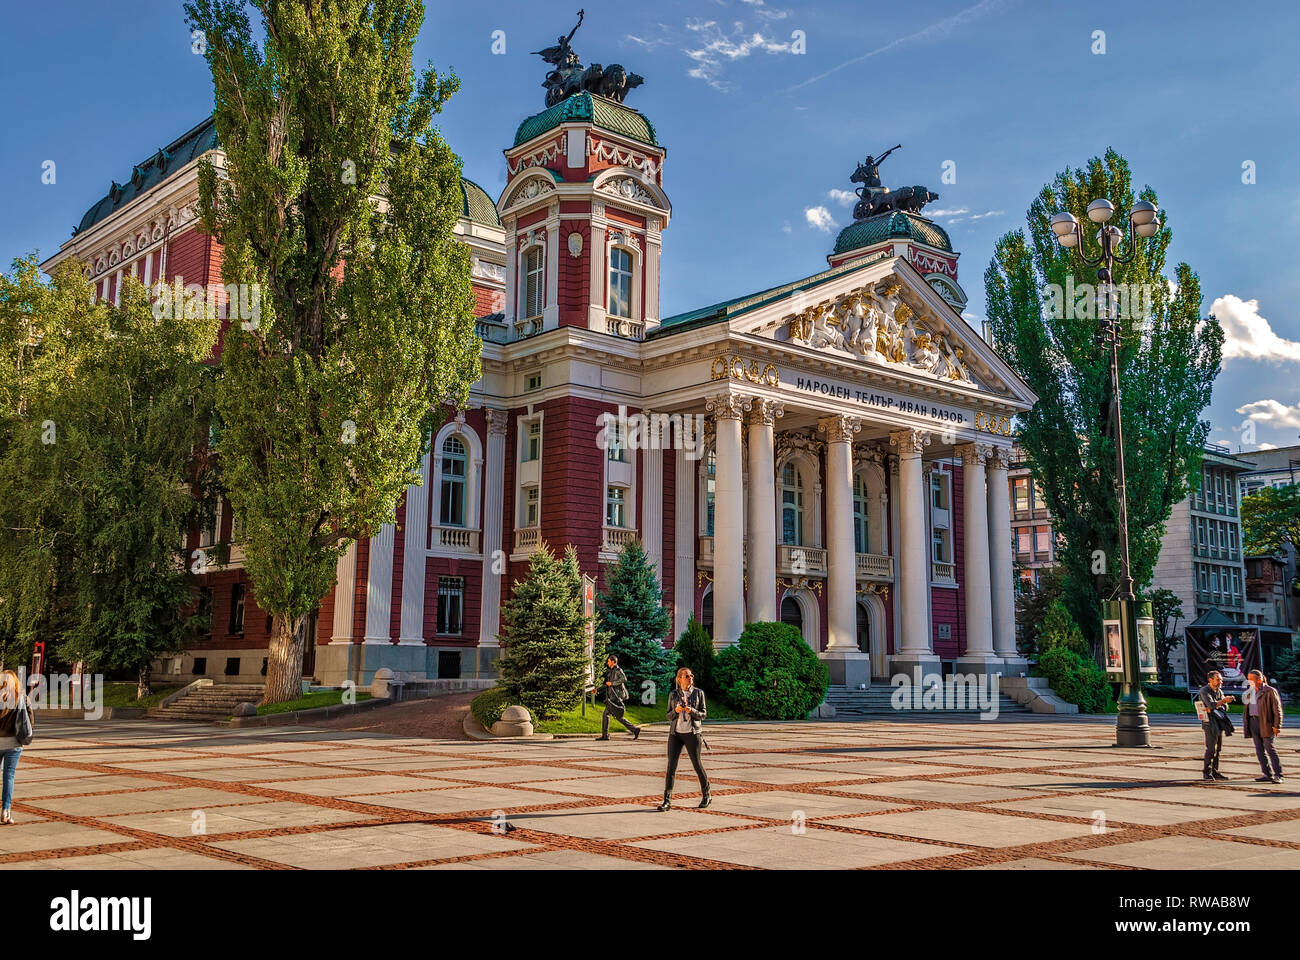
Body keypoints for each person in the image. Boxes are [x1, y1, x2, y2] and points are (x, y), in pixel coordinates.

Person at [658, 667, 710, 811]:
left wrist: (691, 710)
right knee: (671, 767)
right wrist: (676, 711)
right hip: (676, 734)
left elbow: (703, 715)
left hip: (692, 733)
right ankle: (667, 801)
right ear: (679, 679)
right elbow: (668, 716)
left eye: (691, 675)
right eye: (686, 676)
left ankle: (706, 794)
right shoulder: (673, 694)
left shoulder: (699, 693)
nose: (690, 678)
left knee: (697, 765)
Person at [0, 669, 31, 824]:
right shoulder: (21, 697)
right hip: (14, 743)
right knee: (9, 777)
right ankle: (6, 812)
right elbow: (29, 718)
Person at [1243, 669, 1284, 784]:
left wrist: (1277, 725)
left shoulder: (1270, 691)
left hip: (1266, 722)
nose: (1248, 681)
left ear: (1259, 680)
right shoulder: (1250, 691)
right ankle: (1267, 774)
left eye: (1251, 679)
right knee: (1259, 749)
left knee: (1269, 748)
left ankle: (1278, 775)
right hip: (1253, 722)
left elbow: (1277, 710)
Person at [1197, 670, 1235, 782]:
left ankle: (1215, 771)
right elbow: (1211, 704)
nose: (1220, 681)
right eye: (1218, 679)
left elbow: (1225, 707)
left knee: (1218, 749)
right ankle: (1206, 772)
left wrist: (1218, 704)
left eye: (1221, 679)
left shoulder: (1219, 691)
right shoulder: (1204, 690)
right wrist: (1222, 701)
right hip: (1209, 723)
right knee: (1211, 748)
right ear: (1210, 680)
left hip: (1219, 722)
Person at [597, 654, 640, 741]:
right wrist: (597, 690)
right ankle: (634, 729)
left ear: (613, 661)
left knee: (607, 714)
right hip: (613, 696)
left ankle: (605, 735)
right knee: (617, 716)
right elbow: (608, 685)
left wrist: (612, 683)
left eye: (608, 661)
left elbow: (624, 679)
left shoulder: (618, 670)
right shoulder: (612, 671)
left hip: (617, 696)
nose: (607, 663)